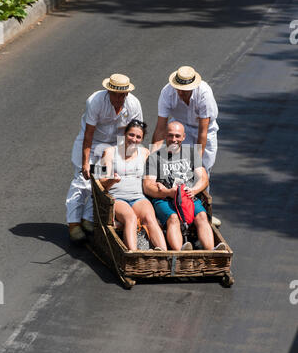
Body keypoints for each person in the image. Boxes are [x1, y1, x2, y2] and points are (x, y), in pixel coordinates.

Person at [66, 73, 143, 242]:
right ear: (108, 91)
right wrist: (85, 162)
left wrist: (126, 158)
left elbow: (134, 133)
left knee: (104, 183)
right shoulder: (95, 101)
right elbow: (89, 134)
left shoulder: (133, 105)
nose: (119, 98)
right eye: (115, 94)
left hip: (114, 146)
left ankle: (88, 219)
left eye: (122, 95)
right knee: (83, 182)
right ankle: (73, 224)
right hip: (91, 144)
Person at [151, 65, 221, 226]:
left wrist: (196, 162)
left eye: (185, 89)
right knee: (175, 167)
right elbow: (161, 127)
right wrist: (152, 158)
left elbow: (202, 132)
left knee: (202, 171)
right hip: (180, 129)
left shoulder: (204, 93)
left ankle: (203, 212)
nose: (180, 92)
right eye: (178, 88)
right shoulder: (167, 92)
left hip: (206, 131)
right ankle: (177, 208)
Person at [143, 121, 219, 251]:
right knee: (173, 218)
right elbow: (147, 186)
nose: (174, 139)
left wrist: (194, 190)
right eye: (170, 135)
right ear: (165, 136)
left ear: (183, 137)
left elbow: (204, 178)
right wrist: (167, 192)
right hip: (165, 199)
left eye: (177, 136)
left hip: (188, 196)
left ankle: (211, 252)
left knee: (201, 216)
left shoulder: (191, 154)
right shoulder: (155, 158)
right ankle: (180, 253)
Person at [99, 120, 167, 251]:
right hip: (117, 197)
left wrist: (157, 182)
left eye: (138, 137)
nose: (134, 139)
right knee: (131, 218)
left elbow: (151, 175)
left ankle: (165, 255)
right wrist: (112, 180)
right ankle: (133, 255)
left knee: (150, 218)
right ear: (124, 134)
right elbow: (101, 182)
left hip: (138, 197)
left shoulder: (145, 153)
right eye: (131, 135)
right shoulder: (109, 152)